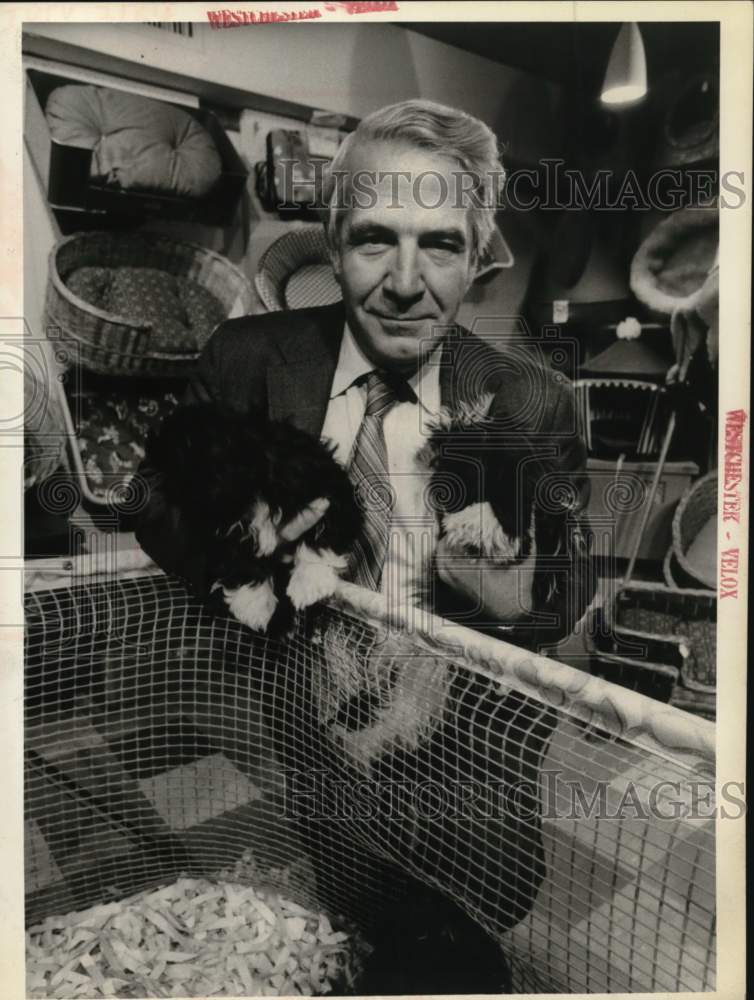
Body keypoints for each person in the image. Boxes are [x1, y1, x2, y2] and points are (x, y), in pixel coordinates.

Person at [134, 98, 596, 992]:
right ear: (334, 239)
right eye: (376, 238)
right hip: (308, 708)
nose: (405, 281)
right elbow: (152, 498)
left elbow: (567, 588)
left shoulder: (533, 399)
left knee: (479, 905)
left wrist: (520, 588)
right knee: (348, 895)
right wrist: (244, 544)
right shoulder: (246, 359)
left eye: (443, 245)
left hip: (469, 736)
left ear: (479, 256)